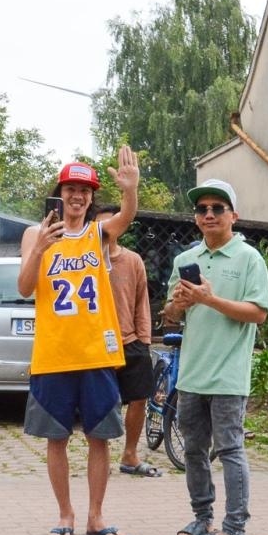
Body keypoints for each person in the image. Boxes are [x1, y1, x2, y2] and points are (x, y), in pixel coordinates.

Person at [17, 148, 140, 535]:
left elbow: (125, 217)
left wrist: (130, 190)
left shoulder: (98, 233)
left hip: (95, 353)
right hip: (53, 353)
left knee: (99, 437)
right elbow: (24, 288)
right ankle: (64, 514)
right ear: (60, 192)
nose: (77, 196)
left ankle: (96, 516)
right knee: (57, 438)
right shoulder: (37, 235)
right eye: (71, 188)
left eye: (85, 191)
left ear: (90, 198)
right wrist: (39, 250)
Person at [162, 179, 268, 535]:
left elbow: (257, 313)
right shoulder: (185, 261)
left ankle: (235, 531)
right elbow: (171, 317)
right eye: (202, 209)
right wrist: (180, 304)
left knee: (230, 450)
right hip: (192, 373)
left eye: (217, 208)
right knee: (193, 450)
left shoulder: (249, 259)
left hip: (228, 375)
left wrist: (209, 299)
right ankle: (202, 518)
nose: (208, 214)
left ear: (233, 216)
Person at [95, 204, 160, 478]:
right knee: (101, 403)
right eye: (102, 224)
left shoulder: (133, 260)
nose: (109, 228)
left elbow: (140, 301)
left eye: (114, 222)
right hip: (96, 344)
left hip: (131, 340)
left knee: (139, 398)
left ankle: (130, 454)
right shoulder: (86, 260)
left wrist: (144, 340)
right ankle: (99, 458)